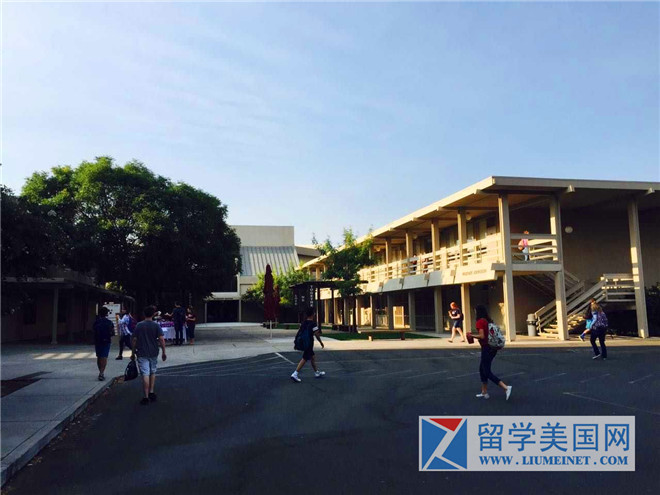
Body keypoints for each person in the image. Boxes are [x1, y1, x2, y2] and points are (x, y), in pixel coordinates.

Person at [471, 305, 512, 400]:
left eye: (475, 311)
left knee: (486, 371)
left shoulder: (480, 322)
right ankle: (484, 392)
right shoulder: (487, 321)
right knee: (482, 369)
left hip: (486, 348)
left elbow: (482, 336)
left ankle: (505, 387)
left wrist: (471, 335)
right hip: (492, 348)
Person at [131, 305, 167, 405]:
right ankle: (151, 391)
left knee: (145, 373)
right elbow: (161, 339)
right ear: (153, 314)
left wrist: (133, 352)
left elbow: (134, 340)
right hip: (153, 351)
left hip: (142, 351)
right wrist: (164, 352)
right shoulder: (156, 325)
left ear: (144, 314)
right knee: (152, 371)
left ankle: (146, 396)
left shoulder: (139, 325)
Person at [290, 307, 325, 383]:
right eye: (314, 313)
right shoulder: (313, 324)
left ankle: (316, 372)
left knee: (312, 357)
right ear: (313, 314)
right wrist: (321, 342)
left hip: (304, 342)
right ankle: (295, 373)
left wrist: (296, 342)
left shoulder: (304, 323)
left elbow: (299, 333)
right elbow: (317, 334)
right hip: (309, 343)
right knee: (305, 358)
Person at [93, 306, 114, 381]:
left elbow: (94, 331)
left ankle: (100, 371)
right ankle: (102, 372)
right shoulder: (109, 322)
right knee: (104, 356)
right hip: (106, 341)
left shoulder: (96, 322)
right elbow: (112, 333)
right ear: (106, 314)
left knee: (99, 356)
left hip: (98, 341)